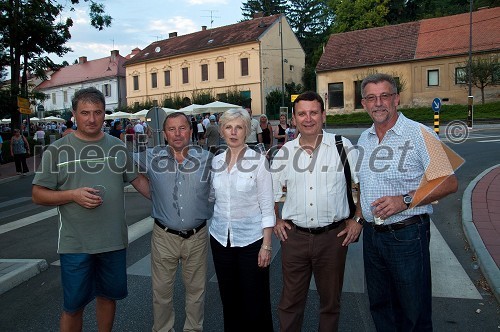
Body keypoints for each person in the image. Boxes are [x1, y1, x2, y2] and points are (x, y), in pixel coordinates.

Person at [31, 87, 150, 332]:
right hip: (76, 244)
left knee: (108, 297)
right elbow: (38, 194)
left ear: (104, 114)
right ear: (74, 113)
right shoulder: (57, 150)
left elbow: (137, 180)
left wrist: (172, 204)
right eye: (85, 113)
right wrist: (72, 195)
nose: (92, 119)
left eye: (97, 112)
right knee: (73, 306)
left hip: (113, 242)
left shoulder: (116, 146)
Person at [357, 73, 458, 331]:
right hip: (373, 237)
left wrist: (404, 201)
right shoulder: (364, 139)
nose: (378, 103)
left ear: (397, 99)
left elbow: (448, 181)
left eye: (385, 96)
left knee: (414, 313)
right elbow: (363, 186)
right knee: (381, 308)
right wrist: (358, 218)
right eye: (371, 98)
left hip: (407, 235)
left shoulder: (419, 133)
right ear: (364, 104)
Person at [271, 91, 363, 332]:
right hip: (295, 239)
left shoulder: (343, 147)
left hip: (333, 238)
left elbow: (364, 185)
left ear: (323, 115)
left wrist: (358, 220)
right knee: (290, 303)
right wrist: (277, 219)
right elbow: (269, 192)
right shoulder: (284, 153)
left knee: (330, 303)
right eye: (302, 113)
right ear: (294, 118)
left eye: (313, 113)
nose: (308, 118)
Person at [146, 112, 213, 332]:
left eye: (182, 128)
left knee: (196, 292)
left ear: (191, 131)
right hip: (164, 237)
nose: (177, 133)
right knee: (161, 293)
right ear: (164, 134)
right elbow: (121, 164)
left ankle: (193, 330)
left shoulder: (207, 159)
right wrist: (153, 194)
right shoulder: (150, 157)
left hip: (197, 236)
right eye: (172, 129)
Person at [210, 108, 275, 332]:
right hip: (220, 239)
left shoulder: (259, 162)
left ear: (247, 131)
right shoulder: (216, 162)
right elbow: (212, 198)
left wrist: (266, 245)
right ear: (222, 131)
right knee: (229, 300)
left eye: (239, 127)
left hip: (252, 241)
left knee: (255, 303)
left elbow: (267, 207)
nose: (234, 132)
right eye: (229, 127)